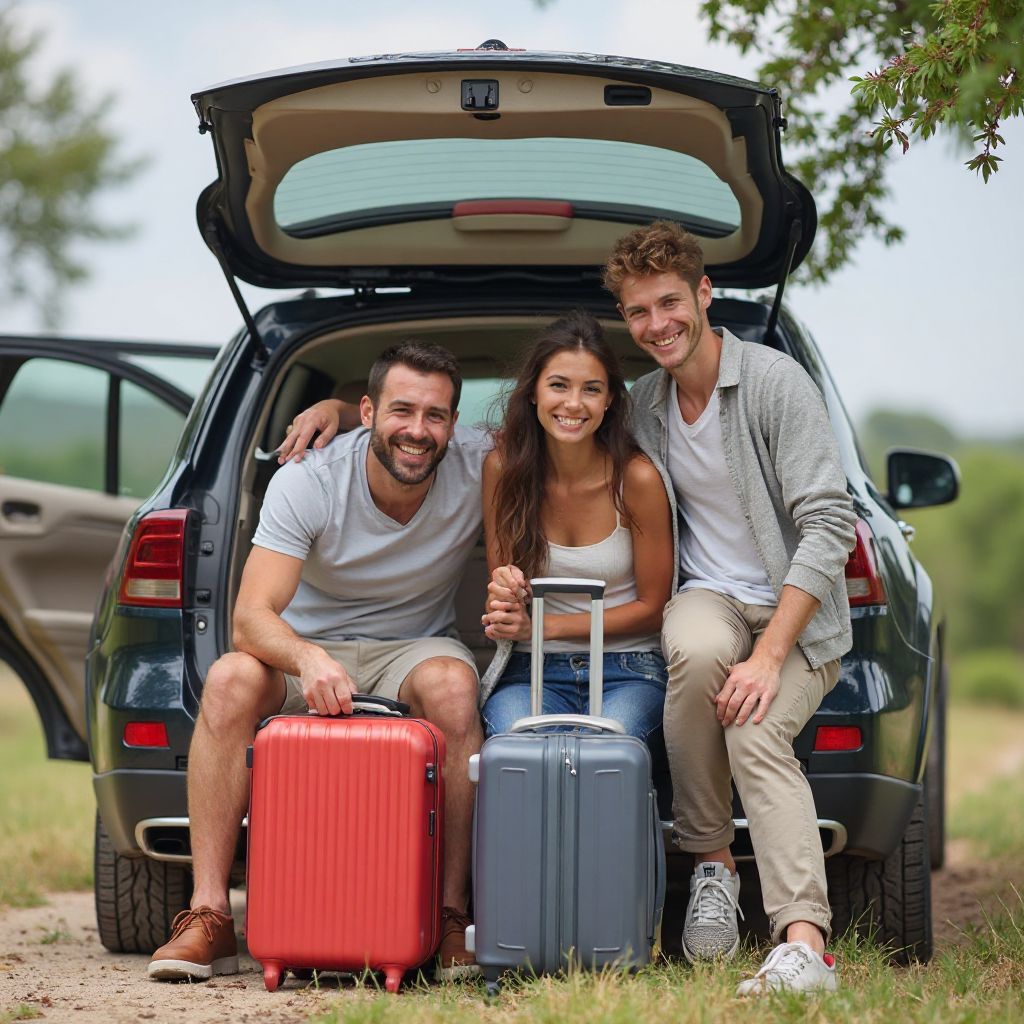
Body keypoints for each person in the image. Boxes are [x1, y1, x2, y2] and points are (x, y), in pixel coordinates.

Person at [147, 341, 487, 982]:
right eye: (401, 411)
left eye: (435, 416)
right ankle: (211, 915)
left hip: (410, 647)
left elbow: (560, 423)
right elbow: (249, 617)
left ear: (454, 423)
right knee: (227, 680)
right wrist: (307, 659)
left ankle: (448, 916)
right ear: (367, 412)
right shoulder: (309, 478)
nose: (418, 431)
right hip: (306, 647)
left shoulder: (479, 461)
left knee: (453, 688)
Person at [604, 221, 857, 994]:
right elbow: (545, 433)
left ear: (705, 294)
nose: (657, 325)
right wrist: (349, 410)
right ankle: (712, 867)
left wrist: (771, 654)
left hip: (798, 620)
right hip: (709, 598)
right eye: (639, 312)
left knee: (751, 728)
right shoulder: (644, 404)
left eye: (670, 303)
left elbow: (830, 523)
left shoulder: (776, 384)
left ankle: (804, 946)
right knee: (695, 648)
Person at [477, 310, 673, 739]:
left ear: (609, 401)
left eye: (592, 389)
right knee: (517, 746)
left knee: (605, 751)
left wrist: (544, 627)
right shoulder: (502, 468)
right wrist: (505, 600)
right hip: (531, 670)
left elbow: (655, 608)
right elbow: (503, 586)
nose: (573, 404)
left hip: (630, 669)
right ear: (533, 393)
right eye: (559, 385)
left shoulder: (636, 478)